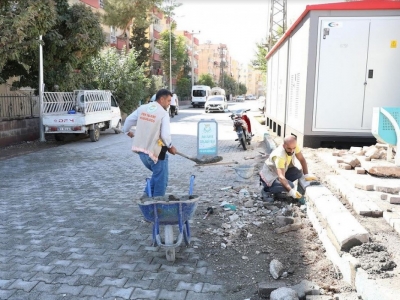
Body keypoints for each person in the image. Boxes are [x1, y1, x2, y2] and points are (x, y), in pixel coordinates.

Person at [123, 89, 177, 198]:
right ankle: (157, 205)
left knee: (157, 176)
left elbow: (128, 120)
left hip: (142, 153)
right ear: (161, 99)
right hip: (156, 154)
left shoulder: (142, 108)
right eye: (168, 101)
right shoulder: (163, 114)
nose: (169, 104)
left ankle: (146, 196)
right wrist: (170, 146)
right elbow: (165, 135)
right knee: (161, 180)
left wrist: (126, 131)